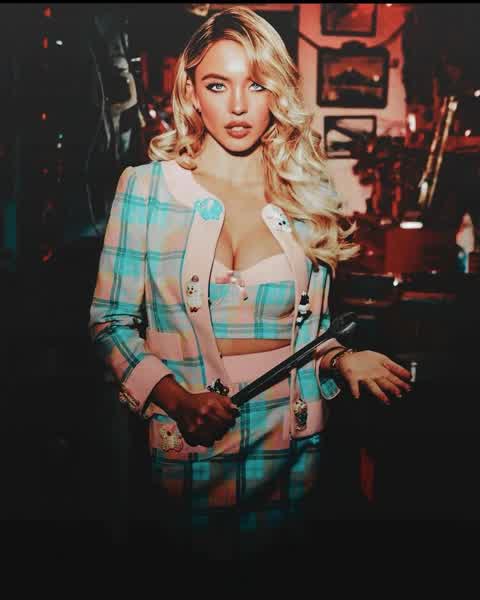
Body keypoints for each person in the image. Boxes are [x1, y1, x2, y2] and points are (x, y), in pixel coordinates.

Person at [89, 6, 412, 556]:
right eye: (218, 85)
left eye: (256, 84)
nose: (238, 106)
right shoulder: (144, 189)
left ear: (276, 92)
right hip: (186, 446)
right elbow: (110, 324)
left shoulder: (305, 196)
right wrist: (176, 399)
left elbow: (314, 336)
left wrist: (341, 360)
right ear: (192, 92)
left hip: (292, 446)